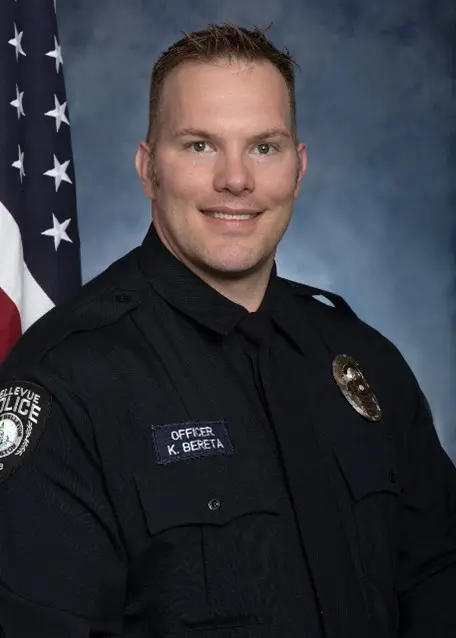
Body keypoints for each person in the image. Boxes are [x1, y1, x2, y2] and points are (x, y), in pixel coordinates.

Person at [0, 22, 455, 638]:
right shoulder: (68, 382)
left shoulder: (364, 360)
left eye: (263, 147)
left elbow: (437, 583)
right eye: (200, 146)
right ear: (147, 169)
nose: (236, 179)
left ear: (298, 168)